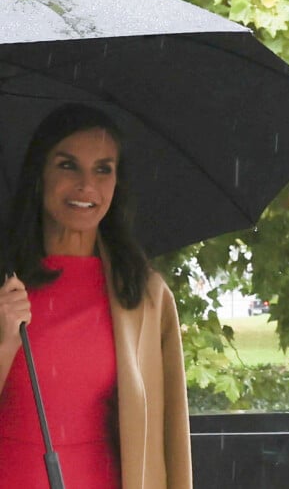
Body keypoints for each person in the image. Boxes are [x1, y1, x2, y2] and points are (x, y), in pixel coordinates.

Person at [0, 104, 192, 488]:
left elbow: (170, 434)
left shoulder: (144, 295)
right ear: (39, 174)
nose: (87, 186)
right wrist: (5, 340)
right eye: (68, 165)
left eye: (103, 169)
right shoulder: (7, 282)